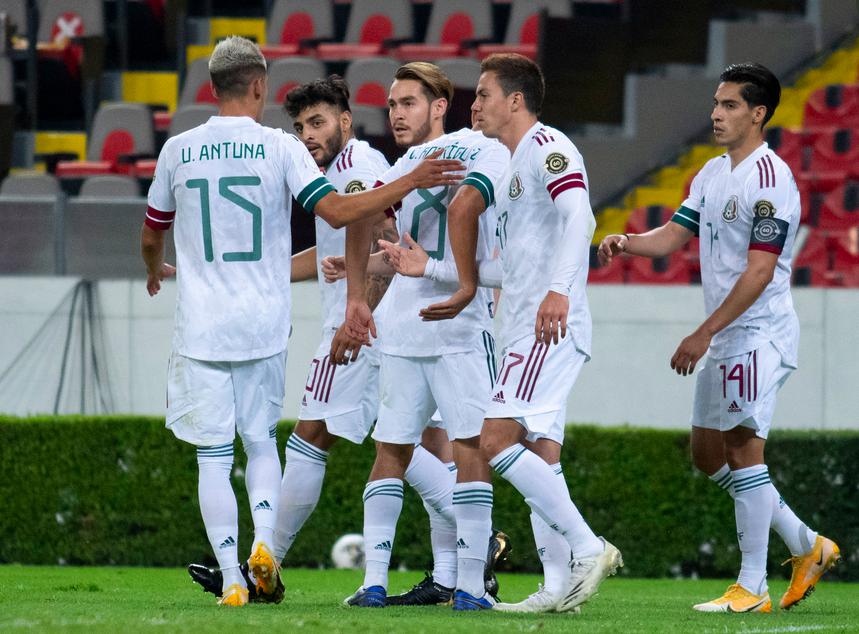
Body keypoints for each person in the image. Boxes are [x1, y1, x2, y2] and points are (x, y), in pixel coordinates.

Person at [140, 36, 463, 608]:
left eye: (317, 123)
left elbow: (387, 238)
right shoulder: (327, 165)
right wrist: (197, 271)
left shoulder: (360, 165)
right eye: (301, 127)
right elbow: (318, 252)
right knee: (397, 444)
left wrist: (358, 307)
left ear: (344, 119)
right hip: (356, 322)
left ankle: (267, 562)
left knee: (318, 439)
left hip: (360, 328)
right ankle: (468, 546)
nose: (308, 135)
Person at [598, 62, 840, 613]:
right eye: (716, 103)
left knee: (742, 449)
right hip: (728, 334)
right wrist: (629, 242)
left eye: (729, 105)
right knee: (708, 455)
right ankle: (807, 545)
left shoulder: (771, 180)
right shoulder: (710, 173)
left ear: (758, 113)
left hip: (756, 333)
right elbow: (672, 236)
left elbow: (758, 272)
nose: (716, 113)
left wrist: (703, 332)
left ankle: (751, 587)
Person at [429, 52, 622, 614]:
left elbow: (580, 215)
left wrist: (560, 289)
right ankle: (558, 588)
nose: (476, 104)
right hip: (523, 323)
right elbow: (507, 270)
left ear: (515, 100)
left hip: (545, 327)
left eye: (484, 93)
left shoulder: (548, 147)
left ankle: (589, 547)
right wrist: (432, 268)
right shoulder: (509, 166)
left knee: (493, 441)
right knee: (541, 453)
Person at [333, 62, 510, 610]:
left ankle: (462, 583)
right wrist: (360, 291)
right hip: (410, 329)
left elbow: (464, 226)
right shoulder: (406, 164)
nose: (396, 113)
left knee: (465, 450)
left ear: (439, 106)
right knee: (396, 450)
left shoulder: (479, 148)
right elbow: (365, 221)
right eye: (391, 104)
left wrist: (404, 273)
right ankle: (387, 582)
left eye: (408, 102)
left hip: (458, 324)